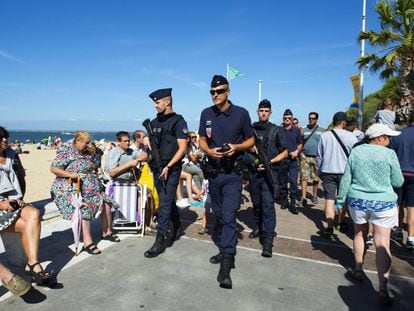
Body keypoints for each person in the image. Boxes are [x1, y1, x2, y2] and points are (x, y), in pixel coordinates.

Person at [337, 123, 403, 305]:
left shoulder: (357, 152)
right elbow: (398, 181)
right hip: (383, 203)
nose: (390, 141)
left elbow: (347, 178)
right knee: (382, 243)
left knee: (359, 233)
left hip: (358, 200)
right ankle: (383, 288)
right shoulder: (389, 154)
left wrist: (340, 200)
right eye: (388, 137)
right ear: (380, 138)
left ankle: (358, 269)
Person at [198, 75, 254, 289]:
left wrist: (236, 147)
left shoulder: (241, 113)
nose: (215, 95)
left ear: (228, 91)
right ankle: (224, 249)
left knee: (229, 216)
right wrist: (207, 150)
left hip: (232, 174)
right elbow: (202, 138)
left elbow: (250, 140)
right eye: (212, 92)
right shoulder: (206, 113)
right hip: (213, 174)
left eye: (219, 91)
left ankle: (226, 265)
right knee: (220, 214)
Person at [0, 129, 57, 288]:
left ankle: (33, 262)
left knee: (34, 213)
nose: (5, 140)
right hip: (0, 205)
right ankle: (33, 268)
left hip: (14, 201)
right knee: (27, 226)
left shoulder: (12, 154)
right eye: (1, 138)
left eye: (6, 137)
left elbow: (21, 176)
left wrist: (21, 197)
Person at [51, 131, 118, 255]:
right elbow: (54, 168)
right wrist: (70, 174)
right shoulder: (66, 151)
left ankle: (106, 232)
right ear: (77, 141)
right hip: (70, 188)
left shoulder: (87, 153)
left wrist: (96, 153)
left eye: (89, 142)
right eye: (86, 143)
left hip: (91, 187)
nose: (88, 145)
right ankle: (88, 242)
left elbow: (95, 165)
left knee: (107, 202)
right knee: (85, 207)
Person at [143, 88, 188, 258]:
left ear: (167, 102)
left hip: (171, 169)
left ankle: (160, 239)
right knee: (165, 201)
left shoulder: (178, 122)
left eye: (157, 102)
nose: (155, 106)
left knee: (163, 205)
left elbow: (182, 148)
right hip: (157, 169)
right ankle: (176, 223)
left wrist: (168, 166)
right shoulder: (153, 123)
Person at [247, 99, 288, 257]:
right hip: (254, 172)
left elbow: (284, 152)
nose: (263, 113)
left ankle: (268, 239)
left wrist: (270, 162)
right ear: (257, 112)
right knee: (256, 203)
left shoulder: (276, 130)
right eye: (261, 110)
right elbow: (245, 149)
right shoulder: (251, 130)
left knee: (268, 205)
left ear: (270, 113)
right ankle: (258, 226)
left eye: (266, 111)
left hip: (270, 173)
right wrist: (255, 161)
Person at [317, 112, 358, 239]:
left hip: (328, 171)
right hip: (345, 172)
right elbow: (355, 157)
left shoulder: (325, 136)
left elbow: (319, 155)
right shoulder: (352, 137)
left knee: (329, 199)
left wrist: (319, 170)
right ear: (344, 122)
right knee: (343, 199)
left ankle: (330, 227)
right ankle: (340, 222)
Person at [392, 112, 414, 250]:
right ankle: (411, 238)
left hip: (399, 173)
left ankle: (398, 230)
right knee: (412, 207)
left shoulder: (398, 134)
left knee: (398, 203)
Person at [279, 109, 303, 214]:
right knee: (283, 182)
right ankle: (284, 200)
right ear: (283, 119)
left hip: (293, 160)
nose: (287, 120)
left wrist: (297, 151)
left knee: (293, 181)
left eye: (289, 118)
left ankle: (293, 202)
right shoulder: (279, 130)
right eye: (285, 118)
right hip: (283, 160)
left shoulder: (296, 131)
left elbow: (300, 143)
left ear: (292, 119)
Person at [300, 112, 324, 207]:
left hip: (316, 157)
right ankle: (304, 196)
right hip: (305, 156)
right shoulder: (303, 130)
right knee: (303, 177)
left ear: (317, 119)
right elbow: (300, 142)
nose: (311, 120)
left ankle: (314, 195)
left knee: (315, 178)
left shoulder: (322, 130)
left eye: (313, 118)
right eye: (310, 118)